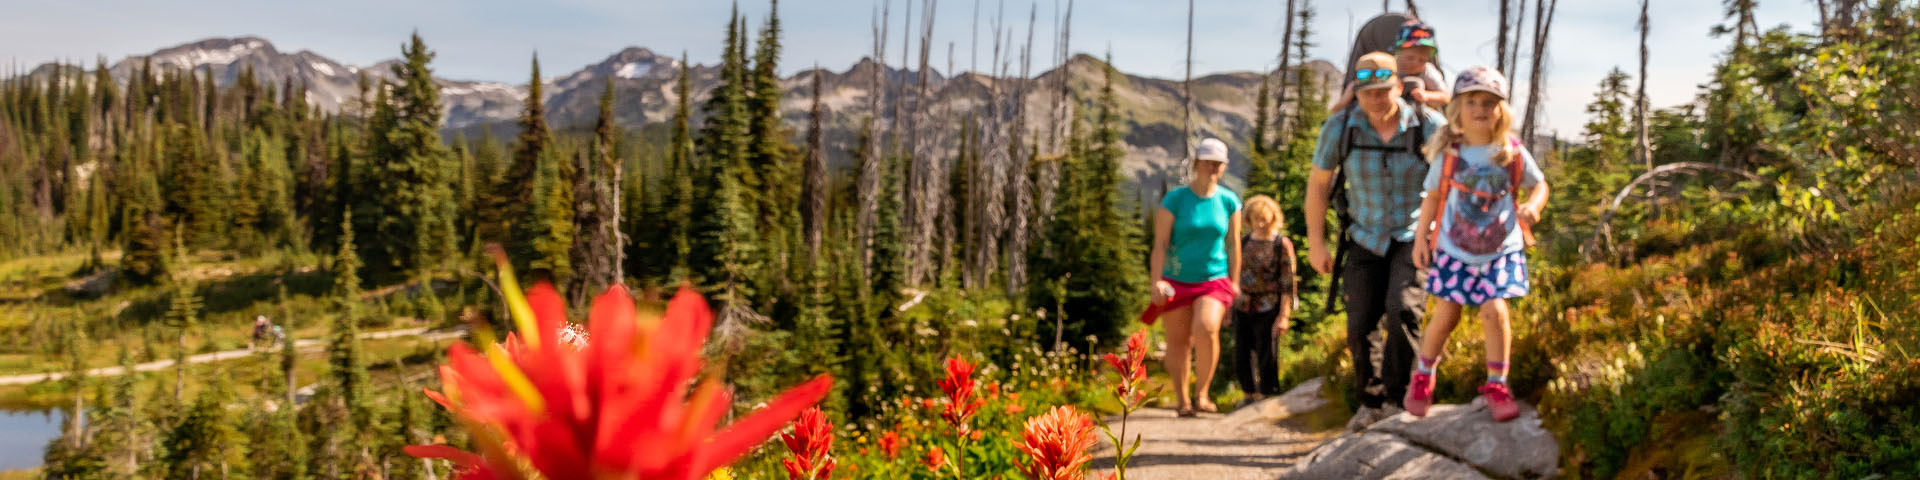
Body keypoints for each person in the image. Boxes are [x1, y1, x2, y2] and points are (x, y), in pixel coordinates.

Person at [1304, 52, 1446, 430]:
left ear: (1398, 86)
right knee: (1360, 322)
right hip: (1363, 236)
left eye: (1384, 90)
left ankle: (1400, 401)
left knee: (1403, 310)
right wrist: (1315, 243)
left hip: (1413, 236)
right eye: (1368, 92)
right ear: (1357, 92)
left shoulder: (1428, 126)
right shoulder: (1341, 128)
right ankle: (1370, 402)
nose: (1376, 99)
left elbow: (1452, 179)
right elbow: (1318, 186)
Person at [1404, 66, 1550, 422]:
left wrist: (1533, 206)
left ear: (1501, 109)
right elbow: (1433, 195)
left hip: (1500, 250)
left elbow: (1539, 184)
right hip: (1455, 250)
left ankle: (1497, 383)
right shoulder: (1451, 153)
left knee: (1494, 311)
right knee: (1446, 314)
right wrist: (1422, 238)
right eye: (1472, 101)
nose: (1481, 109)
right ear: (1457, 109)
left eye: (1489, 102)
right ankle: (1423, 376)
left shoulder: (1510, 151)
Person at [1143, 138, 1243, 417]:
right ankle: (1182, 399)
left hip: (1214, 278)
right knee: (1179, 341)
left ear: (1223, 167)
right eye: (1208, 162)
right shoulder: (1175, 199)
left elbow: (1234, 244)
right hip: (1175, 279)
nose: (1212, 167)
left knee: (1207, 327)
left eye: (1218, 163)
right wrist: (1156, 282)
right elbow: (1160, 244)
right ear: (1197, 164)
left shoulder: (1229, 201)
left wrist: (1234, 282)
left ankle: (1203, 393)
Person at [1232, 195, 1296, 403]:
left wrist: (1284, 315)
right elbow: (1232, 274)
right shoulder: (1242, 242)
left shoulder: (1281, 244)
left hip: (1269, 305)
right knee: (1241, 352)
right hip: (1242, 304)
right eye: (1256, 218)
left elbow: (1288, 281)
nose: (1260, 223)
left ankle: (1266, 393)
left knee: (1266, 351)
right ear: (1248, 219)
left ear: (1273, 219)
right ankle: (1247, 393)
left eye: (1264, 219)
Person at [1332, 19, 1451, 111]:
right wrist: (1344, 102)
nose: (1416, 63)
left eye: (1422, 60)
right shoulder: (1387, 65)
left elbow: (1445, 97)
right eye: (1410, 58)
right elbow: (1362, 82)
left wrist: (1426, 96)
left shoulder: (1428, 71)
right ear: (1397, 52)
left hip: (1417, 117)